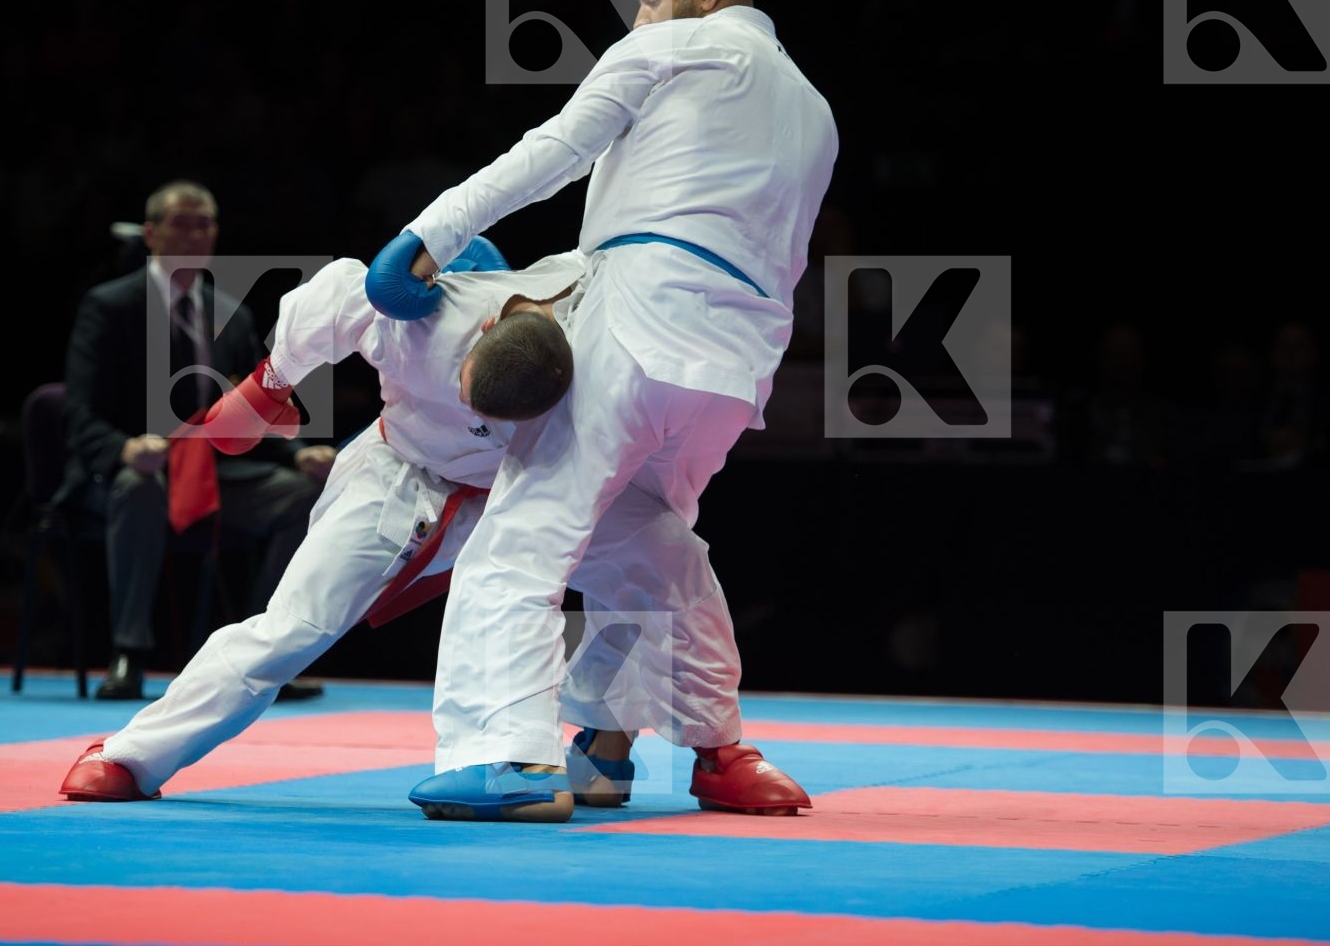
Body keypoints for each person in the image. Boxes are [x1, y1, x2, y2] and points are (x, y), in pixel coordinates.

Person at [57, 245, 808, 821]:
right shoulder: (411, 311)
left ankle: (716, 751)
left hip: (537, 478)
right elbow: (332, 296)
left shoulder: (605, 331)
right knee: (295, 625)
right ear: (479, 329)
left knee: (669, 560)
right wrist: (268, 385)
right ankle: (134, 754)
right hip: (401, 474)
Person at [364, 0, 837, 822]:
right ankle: (668, 749)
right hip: (737, 366)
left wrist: (429, 235)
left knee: (524, 534)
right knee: (650, 552)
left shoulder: (673, 46)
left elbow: (554, 149)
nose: (639, 18)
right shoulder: (815, 109)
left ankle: (507, 756)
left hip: (641, 317)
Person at [58, 179, 334, 700]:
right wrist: (124, 449)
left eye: (203, 225)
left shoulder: (232, 315)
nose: (194, 235)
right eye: (180, 224)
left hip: (216, 472)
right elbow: (78, 410)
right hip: (134, 472)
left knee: (304, 496)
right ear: (150, 233)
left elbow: (256, 406)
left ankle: (262, 654)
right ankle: (128, 653)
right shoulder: (110, 306)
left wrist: (299, 454)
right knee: (138, 489)